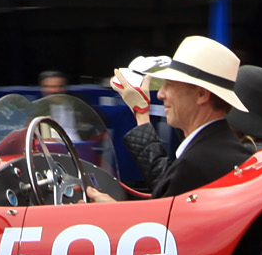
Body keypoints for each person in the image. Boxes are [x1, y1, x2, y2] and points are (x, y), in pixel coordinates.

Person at [107, 36, 251, 197]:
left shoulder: (195, 164)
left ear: (202, 95)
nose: (160, 94)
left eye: (170, 85)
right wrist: (141, 114)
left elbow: (163, 215)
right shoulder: (225, 148)